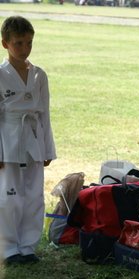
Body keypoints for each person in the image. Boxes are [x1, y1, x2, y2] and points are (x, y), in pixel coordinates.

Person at [0, 16, 56, 265]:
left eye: (29, 43)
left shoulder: (39, 75)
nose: (25, 49)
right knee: (10, 196)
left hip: (33, 141)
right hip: (8, 141)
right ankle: (8, 247)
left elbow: (44, 113)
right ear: (5, 44)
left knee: (34, 195)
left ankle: (28, 245)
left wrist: (47, 148)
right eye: (18, 43)